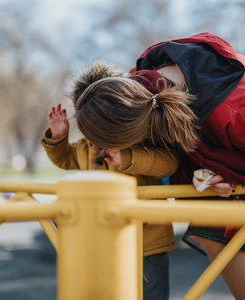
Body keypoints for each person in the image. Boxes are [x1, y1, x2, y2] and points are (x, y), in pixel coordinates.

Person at [72, 32, 245, 300]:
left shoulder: (243, 113)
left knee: (215, 232)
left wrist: (239, 179)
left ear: (138, 133)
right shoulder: (143, 87)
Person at [41, 63, 180, 300]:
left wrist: (127, 157)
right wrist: (59, 138)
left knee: (149, 292)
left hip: (145, 242)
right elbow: (66, 160)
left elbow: (168, 164)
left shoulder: (138, 138)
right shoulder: (87, 146)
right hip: (99, 238)